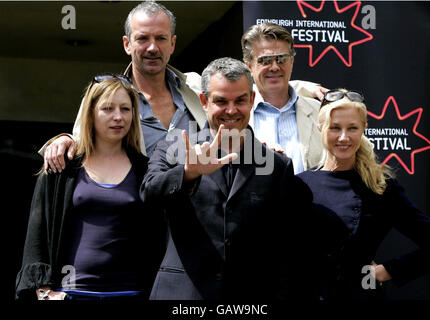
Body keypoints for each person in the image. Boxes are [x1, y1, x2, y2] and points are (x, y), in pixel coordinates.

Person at [41, 1, 323, 173]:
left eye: (161, 39)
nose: (153, 47)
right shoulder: (107, 98)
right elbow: (82, 142)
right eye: (142, 39)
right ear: (127, 44)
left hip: (192, 231)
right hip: (132, 221)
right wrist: (63, 139)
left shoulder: (193, 84)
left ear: (172, 44)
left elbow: (241, 88)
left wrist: (299, 86)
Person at [142, 57, 316, 300]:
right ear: (204, 101)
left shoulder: (277, 165)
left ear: (252, 100)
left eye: (240, 100)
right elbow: (147, 195)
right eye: (221, 101)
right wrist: (188, 173)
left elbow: (287, 246)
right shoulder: (175, 147)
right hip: (183, 294)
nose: (231, 110)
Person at [15, 74, 163, 301]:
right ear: (91, 113)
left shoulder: (146, 169)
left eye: (125, 109)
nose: (118, 117)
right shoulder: (61, 165)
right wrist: (44, 293)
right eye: (107, 108)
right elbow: (37, 233)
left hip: (130, 292)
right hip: (71, 293)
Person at [297, 89, 430, 300]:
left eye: (352, 128)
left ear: (364, 128)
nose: (343, 137)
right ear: (320, 129)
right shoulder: (299, 184)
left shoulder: (380, 187)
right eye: (335, 128)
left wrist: (387, 271)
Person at [242, 22, 326, 174]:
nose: (274, 67)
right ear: (249, 66)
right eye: (265, 60)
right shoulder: (233, 116)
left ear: (292, 62)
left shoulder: (320, 113)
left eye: (281, 59)